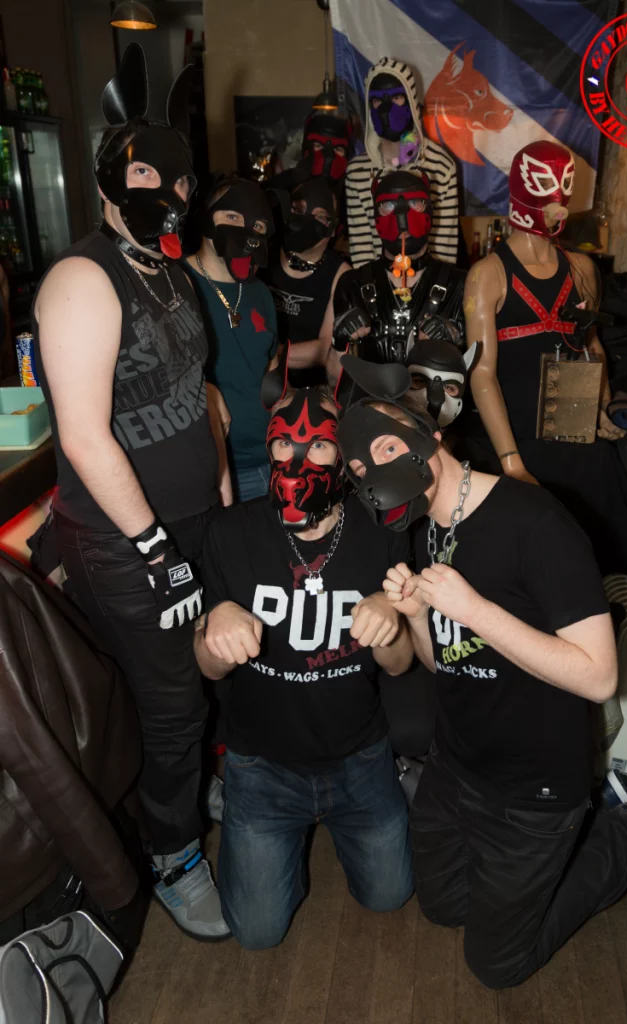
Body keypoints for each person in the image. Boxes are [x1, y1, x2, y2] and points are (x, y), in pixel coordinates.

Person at [335, 357, 627, 990]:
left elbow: (600, 677)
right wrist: (417, 616)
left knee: (496, 966)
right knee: (444, 908)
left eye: (386, 448)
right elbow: (442, 659)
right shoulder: (423, 529)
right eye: (360, 470)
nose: (375, 472)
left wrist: (475, 609)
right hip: (456, 766)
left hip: (535, 792)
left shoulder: (535, 520)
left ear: (430, 435)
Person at [32, 44, 229, 940]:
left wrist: (217, 481)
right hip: (125, 541)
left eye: (179, 179)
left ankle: (176, 793)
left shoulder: (172, 270)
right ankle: (172, 851)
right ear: (112, 179)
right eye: (149, 175)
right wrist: (156, 550)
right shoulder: (84, 279)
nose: (170, 193)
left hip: (189, 521)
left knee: (198, 677)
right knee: (170, 701)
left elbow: (200, 390)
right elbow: (81, 434)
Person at [195, 376, 414, 949]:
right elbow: (209, 669)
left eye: (318, 445)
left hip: (359, 756)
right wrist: (215, 624)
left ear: (343, 453)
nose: (297, 459)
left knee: (391, 894)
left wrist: (390, 620)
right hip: (262, 766)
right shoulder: (229, 532)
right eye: (282, 444)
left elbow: (399, 666)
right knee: (257, 932)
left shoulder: (381, 533)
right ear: (266, 446)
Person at [458, 140, 627, 576]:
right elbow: (481, 373)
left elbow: (592, 346)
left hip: (571, 427)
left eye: (564, 188)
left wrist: (603, 404)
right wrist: (510, 460)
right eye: (546, 188)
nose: (557, 203)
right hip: (516, 436)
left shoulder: (582, 269)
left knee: (606, 513)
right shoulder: (488, 275)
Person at [187, 175, 279, 502]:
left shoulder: (260, 293)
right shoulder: (175, 286)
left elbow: (271, 371)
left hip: (270, 461)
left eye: (256, 224)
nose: (244, 230)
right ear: (206, 217)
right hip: (211, 469)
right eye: (232, 216)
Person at [334, 170, 466, 367]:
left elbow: (478, 370)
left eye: (415, 203)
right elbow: (334, 377)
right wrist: (339, 342)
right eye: (388, 206)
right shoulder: (351, 284)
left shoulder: (460, 285)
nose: (402, 216)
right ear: (375, 215)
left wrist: (457, 337)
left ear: (429, 211)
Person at [346, 58, 459, 268]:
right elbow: (361, 248)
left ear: (411, 100)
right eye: (377, 100)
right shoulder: (357, 172)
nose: (386, 108)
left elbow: (445, 245)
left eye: (396, 97)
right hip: (379, 282)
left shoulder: (440, 166)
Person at [259, 177, 349, 388]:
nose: (306, 221)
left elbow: (324, 349)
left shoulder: (340, 273)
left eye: (320, 216)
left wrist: (268, 353)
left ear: (333, 228)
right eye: (298, 210)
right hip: (258, 379)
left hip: (310, 389)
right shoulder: (264, 256)